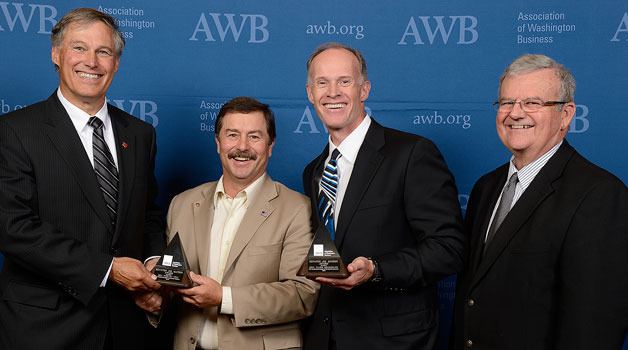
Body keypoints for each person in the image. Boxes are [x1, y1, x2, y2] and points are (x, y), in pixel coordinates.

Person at [0, 8, 165, 350]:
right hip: (45, 328)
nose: (91, 61)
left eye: (103, 52)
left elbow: (147, 216)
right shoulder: (15, 132)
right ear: (56, 55)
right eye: (79, 48)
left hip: (125, 325)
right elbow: (13, 227)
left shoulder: (140, 133)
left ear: (116, 63)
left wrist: (153, 266)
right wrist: (107, 269)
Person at [451, 54, 628, 350]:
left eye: (533, 103)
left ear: (567, 114)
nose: (515, 114)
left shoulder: (600, 194)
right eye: (507, 102)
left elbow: (595, 325)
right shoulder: (487, 187)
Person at [301, 42, 464, 350]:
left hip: (393, 340)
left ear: (364, 89)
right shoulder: (314, 171)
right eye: (322, 82)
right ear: (311, 93)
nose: (332, 92)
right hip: (326, 337)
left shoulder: (412, 154)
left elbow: (448, 248)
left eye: (344, 81)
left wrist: (376, 269)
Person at [164, 96, 318, 350]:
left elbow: (303, 294)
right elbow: (170, 281)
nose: (242, 146)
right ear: (218, 143)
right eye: (232, 135)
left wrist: (223, 298)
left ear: (270, 146)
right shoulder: (182, 204)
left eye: (255, 136)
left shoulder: (296, 209)